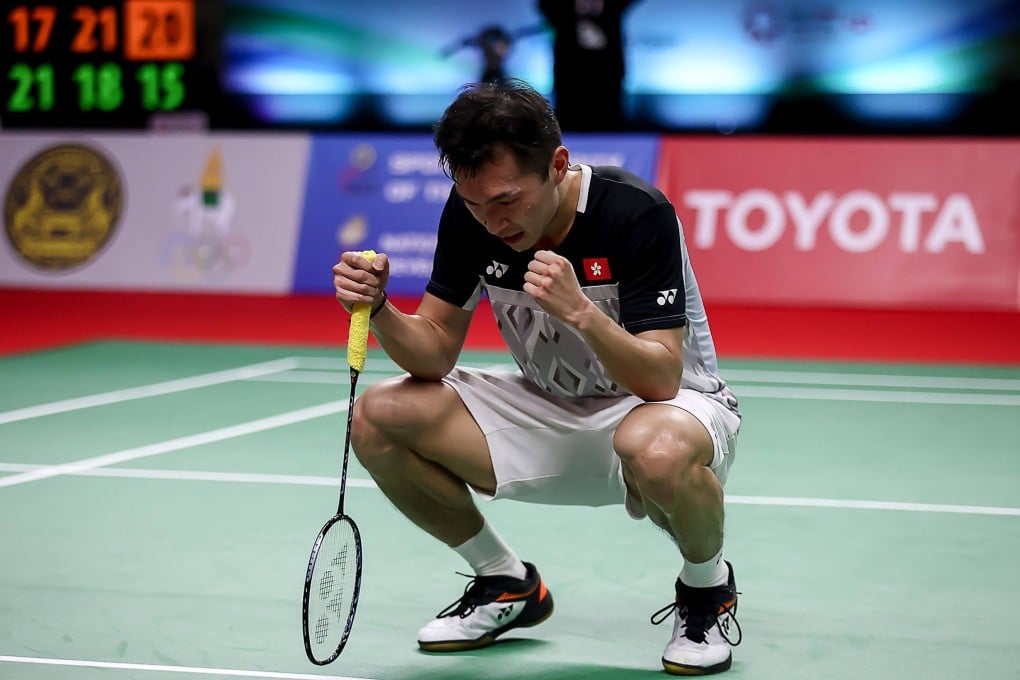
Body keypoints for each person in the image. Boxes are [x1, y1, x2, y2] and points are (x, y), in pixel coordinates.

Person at [332, 78, 742, 675]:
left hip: (668, 413)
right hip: (548, 408)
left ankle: (706, 589)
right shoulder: (473, 217)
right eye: (474, 204)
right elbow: (437, 351)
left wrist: (580, 312)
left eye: (506, 201)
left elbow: (660, 375)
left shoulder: (634, 212)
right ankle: (506, 584)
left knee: (651, 447)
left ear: (557, 164)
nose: (492, 221)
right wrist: (381, 310)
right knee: (378, 416)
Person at [538, 0, 641, 130]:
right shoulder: (561, 5)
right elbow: (545, 7)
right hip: (570, 71)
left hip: (607, 71)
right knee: (569, 121)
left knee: (609, 122)